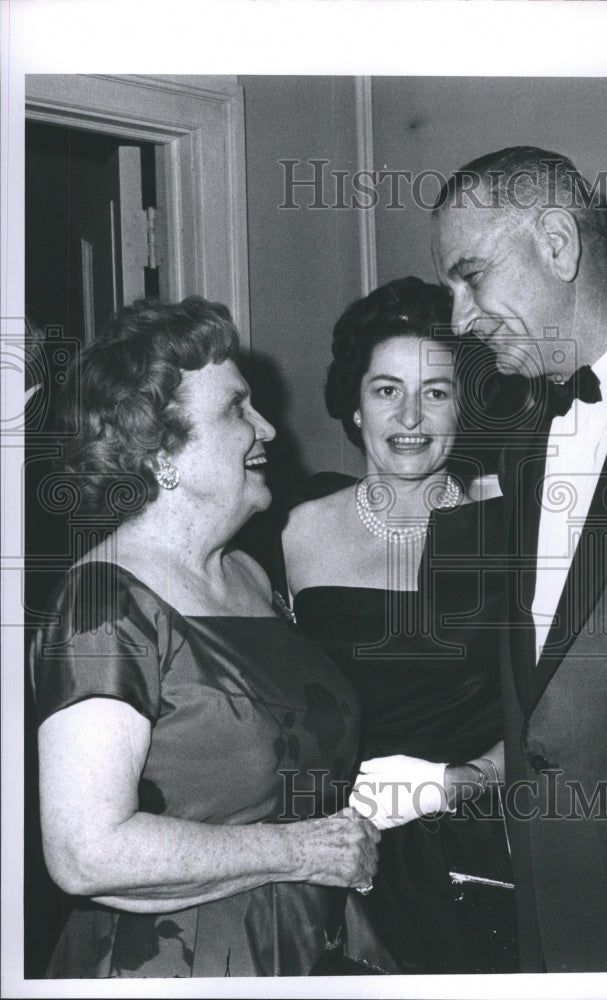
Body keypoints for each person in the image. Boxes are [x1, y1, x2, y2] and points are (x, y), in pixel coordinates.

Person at [28, 296, 381, 978]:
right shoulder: (102, 600)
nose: (269, 429)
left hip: (308, 947)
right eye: (236, 410)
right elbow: (84, 852)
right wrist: (299, 852)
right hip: (177, 964)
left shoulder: (249, 573)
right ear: (161, 449)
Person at [432, 146, 607, 972]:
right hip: (544, 914)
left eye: (471, 276)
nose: (458, 319)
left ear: (557, 242)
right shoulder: (508, 436)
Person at [280, 276, 517, 974]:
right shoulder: (292, 530)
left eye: (436, 392)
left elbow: (559, 713)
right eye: (386, 390)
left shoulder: (509, 526)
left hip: (485, 843)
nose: (409, 415)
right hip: (341, 856)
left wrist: (463, 781)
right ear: (353, 407)